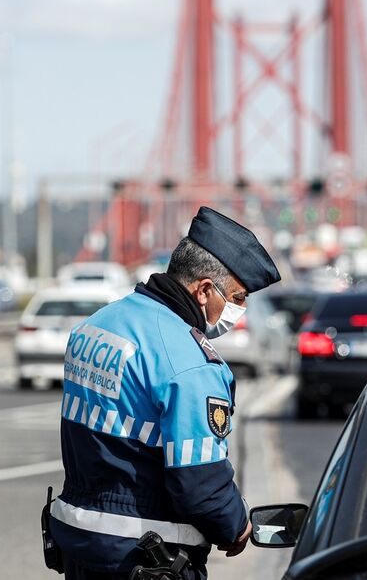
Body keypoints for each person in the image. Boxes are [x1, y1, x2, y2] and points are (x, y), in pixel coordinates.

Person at [49, 206, 281, 579]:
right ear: (205, 290)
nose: (240, 309)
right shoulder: (190, 365)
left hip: (80, 544)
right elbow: (200, 484)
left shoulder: (97, 325)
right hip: (147, 556)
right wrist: (235, 525)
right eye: (238, 298)